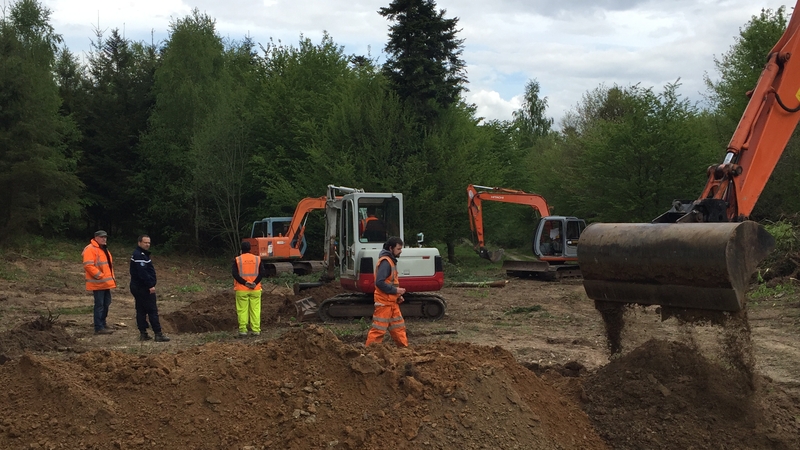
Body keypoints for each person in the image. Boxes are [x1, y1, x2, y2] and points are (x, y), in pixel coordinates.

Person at [365, 236, 408, 347]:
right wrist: (396, 290)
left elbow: (389, 282)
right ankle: (370, 352)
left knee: (399, 328)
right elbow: (380, 282)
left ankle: (404, 350)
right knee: (378, 330)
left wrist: (397, 295)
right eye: (398, 249)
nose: (400, 251)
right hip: (384, 302)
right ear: (390, 248)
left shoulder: (390, 261)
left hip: (391, 302)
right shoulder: (386, 262)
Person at [129, 235, 170, 342]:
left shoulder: (142, 255)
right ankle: (158, 333)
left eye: (149, 243)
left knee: (141, 310)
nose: (147, 244)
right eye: (145, 242)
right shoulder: (139, 255)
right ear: (139, 243)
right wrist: (150, 285)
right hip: (142, 287)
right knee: (152, 310)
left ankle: (143, 333)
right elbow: (142, 273)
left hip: (138, 286)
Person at [82, 230, 116, 335]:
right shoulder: (90, 249)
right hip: (98, 283)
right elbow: (88, 265)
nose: (104, 239)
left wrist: (110, 278)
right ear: (96, 238)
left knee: (106, 303)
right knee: (100, 305)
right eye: (102, 237)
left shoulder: (103, 249)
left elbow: (108, 266)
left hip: (105, 283)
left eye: (105, 237)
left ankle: (102, 323)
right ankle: (99, 327)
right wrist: (99, 276)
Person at [232, 241, 266, 337]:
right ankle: (256, 330)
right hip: (255, 289)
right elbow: (262, 272)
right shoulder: (257, 259)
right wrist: (254, 283)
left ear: (241, 249)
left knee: (242, 310)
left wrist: (244, 283)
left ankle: (243, 330)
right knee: (255, 309)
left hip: (241, 289)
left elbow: (235, 274)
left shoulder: (238, 259)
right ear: (250, 249)